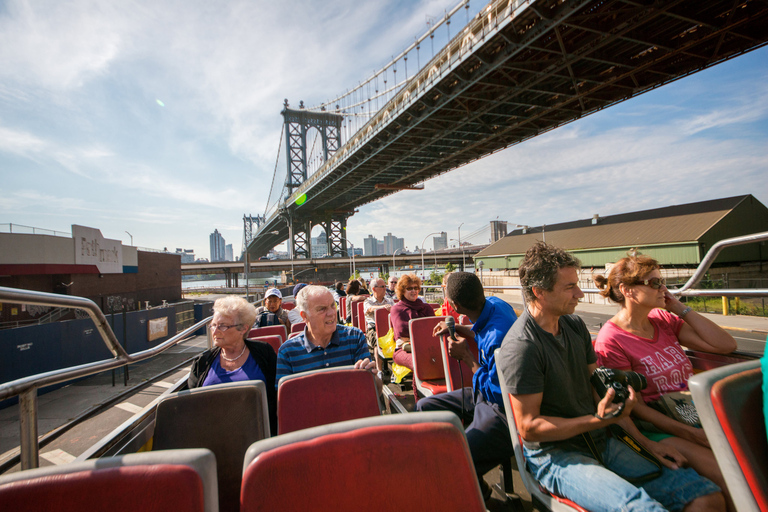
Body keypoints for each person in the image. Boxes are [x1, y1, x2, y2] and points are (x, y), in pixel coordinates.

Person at [497, 242, 723, 512]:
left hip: (602, 440)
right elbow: (529, 427)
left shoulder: (574, 325)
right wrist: (596, 420)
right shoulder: (523, 346)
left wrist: (646, 443)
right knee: (642, 509)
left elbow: (601, 390)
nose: (580, 293)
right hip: (557, 455)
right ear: (539, 292)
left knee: (707, 498)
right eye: (570, 287)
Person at [593, 255, 737, 510]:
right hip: (660, 426)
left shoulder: (663, 319)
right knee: (732, 476)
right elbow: (633, 406)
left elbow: (725, 345)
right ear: (628, 290)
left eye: (663, 282)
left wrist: (679, 307)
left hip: (694, 414)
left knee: (750, 462)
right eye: (655, 282)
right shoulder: (612, 340)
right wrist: (689, 433)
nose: (663, 288)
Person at [417, 272, 517, 499]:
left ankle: (464, 481)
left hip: (503, 410)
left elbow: (499, 393)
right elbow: (482, 328)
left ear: (455, 305)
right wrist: (459, 329)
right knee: (425, 407)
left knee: (455, 462)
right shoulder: (494, 304)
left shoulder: (497, 340)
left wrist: (467, 357)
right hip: (484, 391)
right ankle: (469, 478)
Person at [188, 296, 277, 433]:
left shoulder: (264, 353)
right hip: (212, 435)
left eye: (223, 326)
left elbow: (275, 397)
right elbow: (190, 407)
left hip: (257, 433)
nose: (215, 331)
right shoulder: (202, 362)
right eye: (213, 325)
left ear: (243, 329)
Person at [276, 285, 379, 389]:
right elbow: (285, 401)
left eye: (333, 306)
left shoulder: (355, 337)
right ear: (304, 316)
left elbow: (372, 393)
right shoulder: (287, 352)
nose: (332, 313)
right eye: (322, 309)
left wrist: (373, 379)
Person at [389, 274, 434, 371]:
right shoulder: (397, 309)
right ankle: (418, 386)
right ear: (402, 290)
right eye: (409, 288)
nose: (414, 291)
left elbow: (433, 328)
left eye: (416, 288)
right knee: (418, 361)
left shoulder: (426, 307)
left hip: (428, 346)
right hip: (404, 349)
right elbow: (403, 332)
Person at [363, 277, 394, 380]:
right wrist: (383, 307)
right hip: (374, 328)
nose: (386, 288)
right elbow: (369, 309)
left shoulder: (389, 300)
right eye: (383, 286)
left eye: (385, 286)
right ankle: (379, 371)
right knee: (378, 339)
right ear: (374, 289)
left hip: (389, 327)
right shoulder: (368, 301)